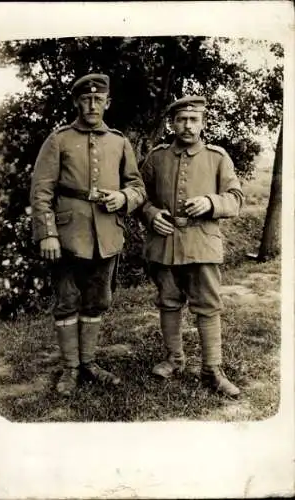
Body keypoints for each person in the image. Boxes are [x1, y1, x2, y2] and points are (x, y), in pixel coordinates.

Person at [30, 73, 146, 396]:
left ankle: (89, 362)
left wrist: (124, 198)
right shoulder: (59, 140)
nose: (92, 104)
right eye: (86, 99)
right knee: (67, 299)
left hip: (107, 234)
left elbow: (137, 187)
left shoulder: (119, 142)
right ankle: (70, 367)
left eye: (98, 99)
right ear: (76, 102)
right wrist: (47, 234)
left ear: (107, 103)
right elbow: (41, 191)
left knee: (98, 300)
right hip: (67, 236)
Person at [140, 95, 244, 397]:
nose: (187, 125)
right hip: (165, 242)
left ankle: (212, 369)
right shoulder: (157, 157)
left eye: (193, 120)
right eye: (181, 120)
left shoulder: (217, 157)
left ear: (203, 123)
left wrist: (211, 202)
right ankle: (174, 359)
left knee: (208, 305)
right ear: (172, 123)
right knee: (168, 300)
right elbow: (138, 195)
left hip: (202, 243)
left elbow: (236, 198)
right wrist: (151, 214)